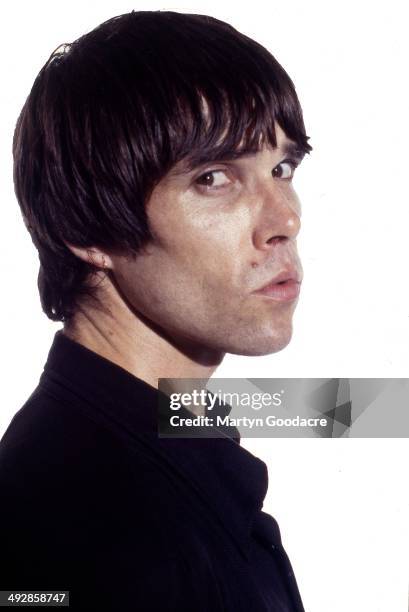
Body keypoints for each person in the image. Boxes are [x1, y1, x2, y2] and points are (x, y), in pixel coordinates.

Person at [0, 10, 312, 611]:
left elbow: (353, 407)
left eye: (282, 168)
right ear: (86, 228)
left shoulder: (168, 429)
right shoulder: (71, 533)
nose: (285, 220)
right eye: (214, 177)